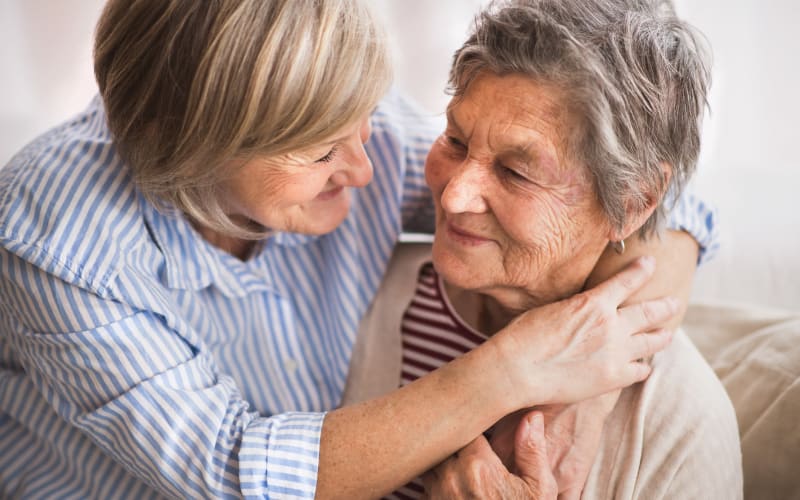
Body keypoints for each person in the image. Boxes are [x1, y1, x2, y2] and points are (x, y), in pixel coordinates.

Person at [0, 0, 713, 498]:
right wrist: (518, 370)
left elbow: (652, 195)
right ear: (193, 155)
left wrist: (583, 389)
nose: (370, 171)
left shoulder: (341, 124)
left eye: (363, 118)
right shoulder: (56, 237)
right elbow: (231, 472)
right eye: (319, 153)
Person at [342, 0, 741, 498]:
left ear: (633, 201)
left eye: (516, 173)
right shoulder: (362, 299)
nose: (454, 195)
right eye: (456, 140)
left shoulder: (681, 425)